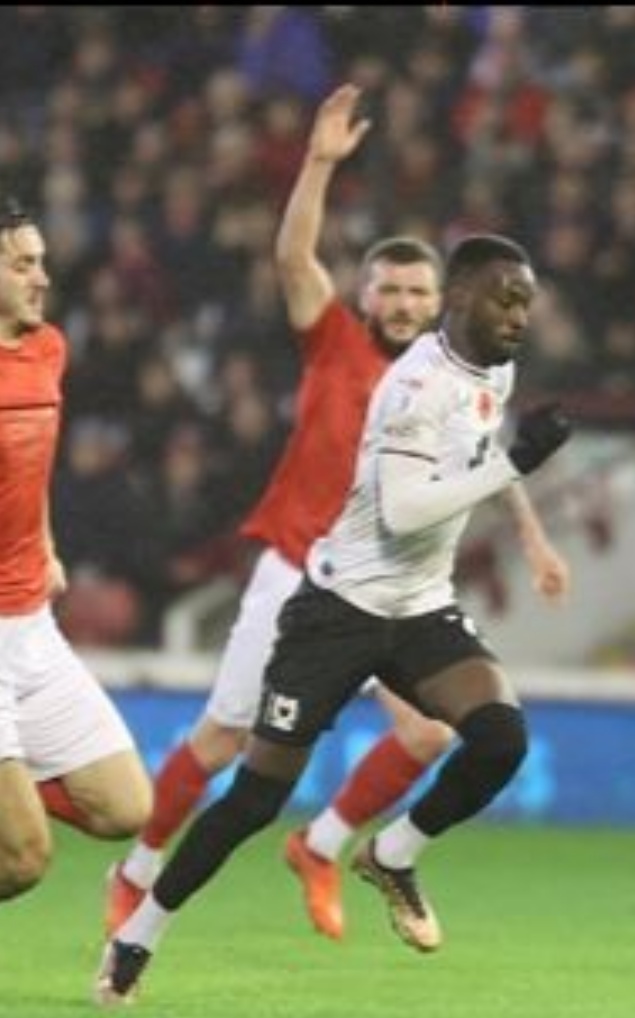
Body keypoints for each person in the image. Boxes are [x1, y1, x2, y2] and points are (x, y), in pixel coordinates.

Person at [104, 85, 569, 944]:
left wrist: (534, 532)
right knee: (224, 743)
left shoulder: (471, 367)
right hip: (301, 564)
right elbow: (292, 261)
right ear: (364, 298)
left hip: (398, 586)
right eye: (386, 290)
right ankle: (133, 878)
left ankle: (325, 848)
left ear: (443, 299)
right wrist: (317, 164)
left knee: (434, 736)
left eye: (415, 291)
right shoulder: (337, 343)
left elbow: (483, 452)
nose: (400, 304)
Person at [0, 198, 151, 904]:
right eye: (24, 264)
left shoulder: (47, 348)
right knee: (24, 860)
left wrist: (48, 544)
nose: (42, 278)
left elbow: (32, 468)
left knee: (126, 809)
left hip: (32, 623)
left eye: (42, 263)